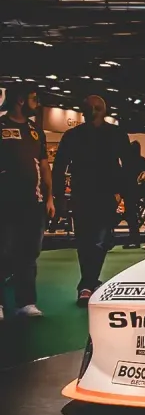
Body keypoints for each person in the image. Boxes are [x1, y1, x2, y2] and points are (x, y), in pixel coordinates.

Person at [52, 94, 131, 305]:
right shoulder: (73, 135)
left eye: (97, 108)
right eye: (90, 108)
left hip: (105, 194)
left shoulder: (116, 134)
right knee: (87, 241)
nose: (93, 111)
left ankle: (87, 283)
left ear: (104, 111)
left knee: (100, 241)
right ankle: (88, 283)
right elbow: (59, 167)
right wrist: (59, 196)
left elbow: (128, 165)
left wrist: (121, 193)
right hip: (83, 194)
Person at [0, 85, 54, 319]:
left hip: (33, 202)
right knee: (3, 251)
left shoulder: (35, 131)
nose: (37, 103)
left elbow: (44, 165)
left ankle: (26, 302)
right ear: (20, 100)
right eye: (34, 98)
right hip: (4, 201)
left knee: (29, 252)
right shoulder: (1, 126)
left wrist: (50, 197)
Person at [120, 139, 145, 248]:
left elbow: (124, 177)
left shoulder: (127, 162)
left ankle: (134, 238)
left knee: (131, 216)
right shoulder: (142, 161)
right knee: (133, 216)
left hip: (130, 192)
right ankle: (134, 238)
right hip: (138, 192)